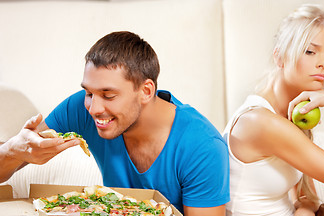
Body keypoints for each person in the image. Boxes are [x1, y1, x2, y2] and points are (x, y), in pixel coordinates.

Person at [0, 31, 230, 215]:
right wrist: (13, 151)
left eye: (108, 95)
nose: (94, 108)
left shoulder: (202, 147)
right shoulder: (81, 108)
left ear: (146, 91)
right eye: (89, 93)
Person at [223, 4, 324, 216]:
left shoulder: (292, 115)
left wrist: (305, 210)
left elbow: (304, 196)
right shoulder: (261, 122)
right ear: (280, 57)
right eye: (310, 51)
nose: (323, 64)